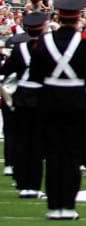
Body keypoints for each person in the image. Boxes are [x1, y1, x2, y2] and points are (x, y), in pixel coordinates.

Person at [30, 0, 86, 220]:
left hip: (49, 104)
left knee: (53, 155)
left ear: (58, 15)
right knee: (72, 156)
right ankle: (68, 205)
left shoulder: (43, 42)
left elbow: (36, 75)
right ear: (78, 18)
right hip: (76, 104)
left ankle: (54, 205)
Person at [2, 13, 48, 199]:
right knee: (37, 144)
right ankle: (34, 186)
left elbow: (6, 71)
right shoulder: (47, 47)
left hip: (21, 98)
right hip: (40, 98)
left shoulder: (19, 49)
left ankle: (22, 184)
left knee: (22, 142)